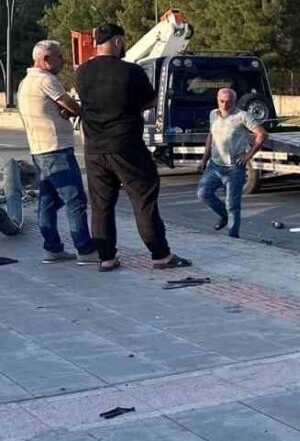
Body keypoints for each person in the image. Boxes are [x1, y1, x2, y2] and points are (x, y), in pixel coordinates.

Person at [75, 23, 189, 272]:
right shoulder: (130, 71)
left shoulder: (82, 72)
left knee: (101, 205)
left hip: (94, 149)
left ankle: (106, 258)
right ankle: (160, 255)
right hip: (126, 145)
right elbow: (150, 101)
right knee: (143, 198)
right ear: (117, 41)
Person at [16, 40, 98, 264]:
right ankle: (85, 249)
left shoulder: (25, 82)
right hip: (56, 149)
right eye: (59, 56)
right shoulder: (46, 80)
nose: (63, 60)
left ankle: (52, 248)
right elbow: (72, 106)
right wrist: (75, 110)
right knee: (75, 199)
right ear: (45, 60)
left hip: (39, 150)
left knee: (48, 202)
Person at [198, 87, 267, 238]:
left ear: (234, 101)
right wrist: (204, 158)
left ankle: (233, 237)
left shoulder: (242, 116)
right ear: (217, 100)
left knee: (232, 205)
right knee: (203, 193)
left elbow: (262, 134)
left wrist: (248, 155)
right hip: (215, 165)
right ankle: (224, 215)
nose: (225, 104)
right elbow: (211, 136)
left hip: (234, 168)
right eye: (222, 101)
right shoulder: (213, 114)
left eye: (228, 102)